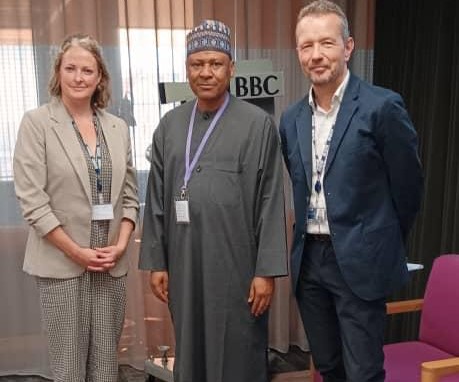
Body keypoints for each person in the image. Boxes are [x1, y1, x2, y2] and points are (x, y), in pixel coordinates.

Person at [279, 1, 424, 381]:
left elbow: (408, 188)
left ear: (348, 47)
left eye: (326, 43)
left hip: (360, 260)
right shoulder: (291, 118)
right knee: (327, 366)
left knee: (363, 371)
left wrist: (378, 239)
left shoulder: (382, 107)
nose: (316, 55)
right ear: (298, 52)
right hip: (309, 261)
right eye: (306, 46)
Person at [139, 19, 287, 382]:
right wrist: (158, 262)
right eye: (197, 64)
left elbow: (270, 198)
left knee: (237, 350)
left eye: (215, 63)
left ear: (231, 68)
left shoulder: (257, 124)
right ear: (187, 68)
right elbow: (156, 197)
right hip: (184, 260)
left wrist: (265, 271)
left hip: (237, 264)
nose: (206, 73)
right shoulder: (170, 126)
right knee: (190, 348)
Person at [13, 33, 139, 382]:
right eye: (71, 68)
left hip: (109, 263)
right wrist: (77, 252)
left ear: (100, 77)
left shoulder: (117, 128)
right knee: (68, 368)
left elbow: (130, 197)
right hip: (62, 263)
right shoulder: (36, 123)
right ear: (58, 72)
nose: (79, 77)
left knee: (105, 367)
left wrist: (122, 245)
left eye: (88, 70)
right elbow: (33, 202)